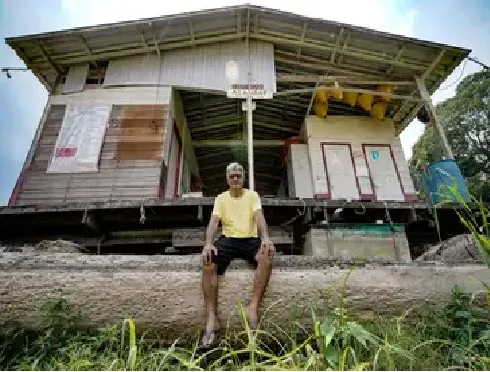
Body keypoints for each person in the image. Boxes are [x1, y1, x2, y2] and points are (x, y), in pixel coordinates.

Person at [200, 162, 275, 347]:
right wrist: (208, 244)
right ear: (227, 178)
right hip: (228, 239)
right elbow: (214, 221)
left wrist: (265, 237)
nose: (235, 179)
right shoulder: (221, 198)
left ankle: (253, 308)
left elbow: (259, 217)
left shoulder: (252, 196)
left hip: (249, 239)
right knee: (208, 260)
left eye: (238, 176)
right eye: (231, 176)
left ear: (243, 178)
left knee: (266, 255)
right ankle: (212, 318)